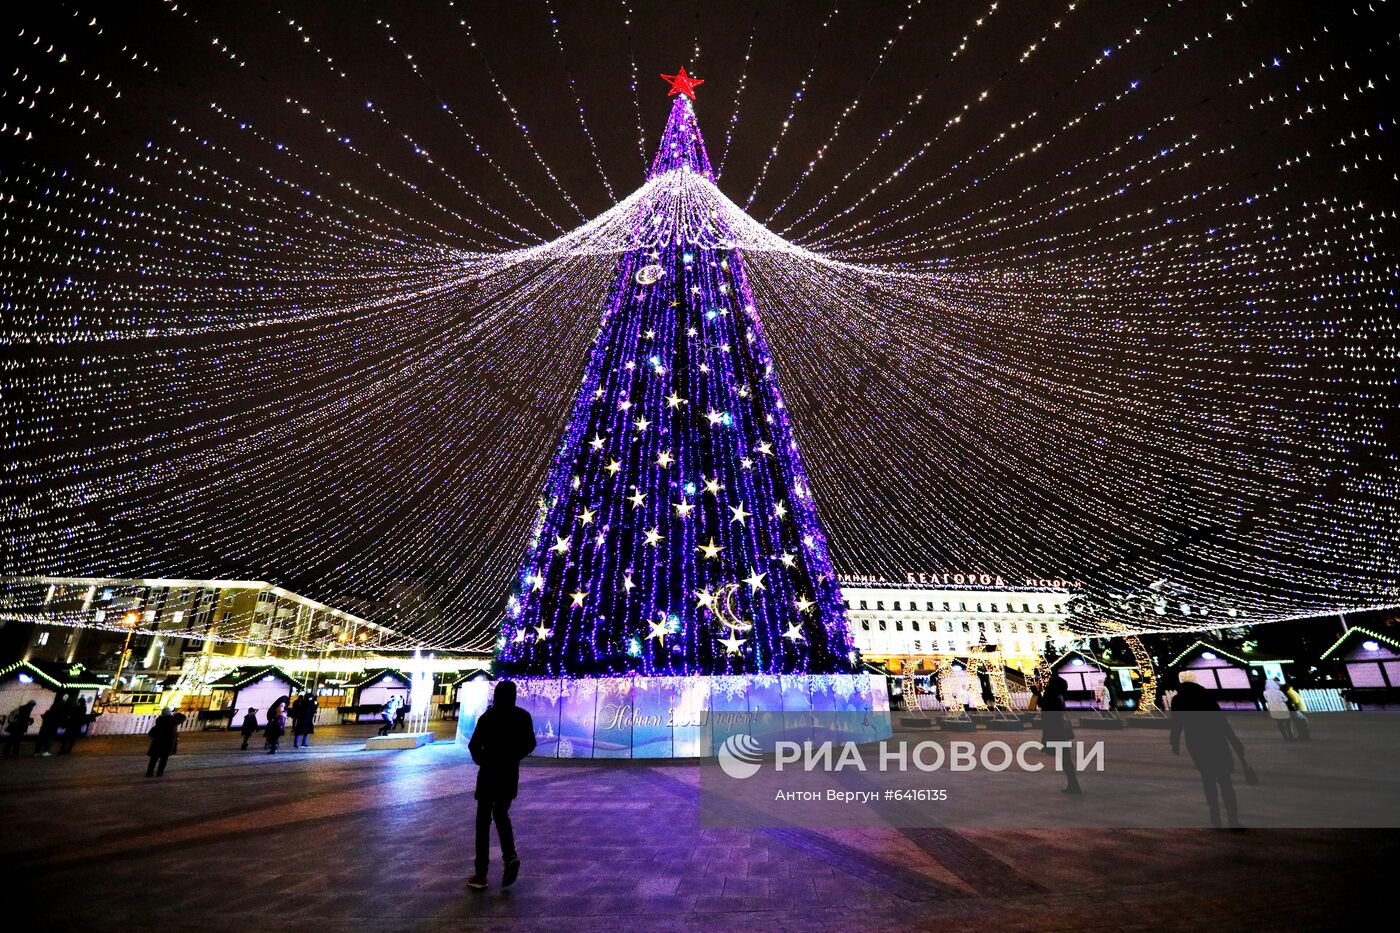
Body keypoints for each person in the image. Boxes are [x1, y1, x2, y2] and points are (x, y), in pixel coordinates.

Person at [465, 681, 536, 890]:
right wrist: (513, 757)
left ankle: (481, 874)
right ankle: (510, 856)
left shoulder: (488, 717)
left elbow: (474, 745)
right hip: (509, 774)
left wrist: (484, 760)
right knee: (502, 814)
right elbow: (530, 743)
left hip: (488, 774)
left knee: (483, 821)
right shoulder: (522, 717)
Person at [1171, 681, 1248, 828]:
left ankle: (1215, 816)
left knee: (1208, 780)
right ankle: (1233, 819)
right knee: (1226, 782)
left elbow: (1177, 723)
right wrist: (1235, 742)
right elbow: (1222, 721)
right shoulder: (1206, 697)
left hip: (1196, 743)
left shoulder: (1179, 700)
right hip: (1217, 740)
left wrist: (1174, 742)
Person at [1038, 675, 1081, 794]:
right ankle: (1073, 784)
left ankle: (1074, 785)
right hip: (1060, 731)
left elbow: (1045, 709)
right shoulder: (1059, 696)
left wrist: (1038, 695)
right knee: (1065, 759)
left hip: (1055, 731)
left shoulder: (1051, 695)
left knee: (1065, 759)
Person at [146, 708, 185, 777]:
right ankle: (159, 772)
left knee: (154, 759)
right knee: (164, 759)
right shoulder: (173, 720)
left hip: (157, 742)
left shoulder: (159, 720)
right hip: (168, 743)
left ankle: (149, 772)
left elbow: (152, 733)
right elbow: (183, 717)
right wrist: (176, 714)